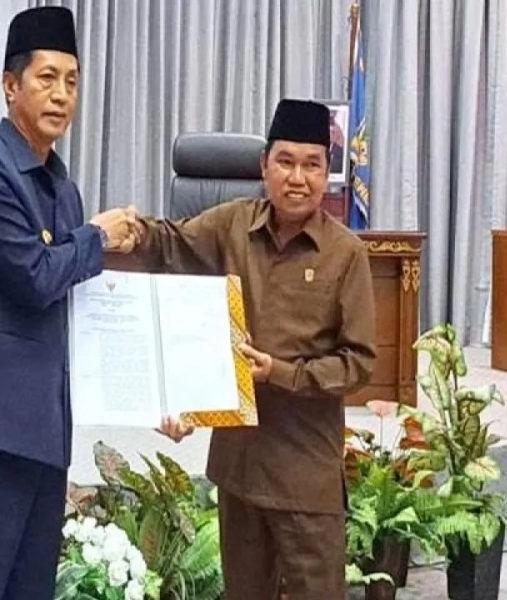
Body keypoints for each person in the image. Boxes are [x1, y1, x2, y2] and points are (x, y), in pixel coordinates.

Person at [128, 99, 377, 598]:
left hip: (305, 476)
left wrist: (279, 373)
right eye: (285, 161)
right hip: (239, 469)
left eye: (311, 165)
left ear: (327, 173)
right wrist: (127, 230)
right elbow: (170, 244)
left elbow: (359, 363)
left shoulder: (345, 253)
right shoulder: (232, 226)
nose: (297, 178)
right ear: (264, 166)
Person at [0, 6, 139, 599]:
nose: (62, 95)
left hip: (47, 430)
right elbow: (34, 276)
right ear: (10, 85)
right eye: (46, 78)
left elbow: (79, 303)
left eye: (72, 81)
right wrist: (97, 236)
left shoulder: (64, 188)